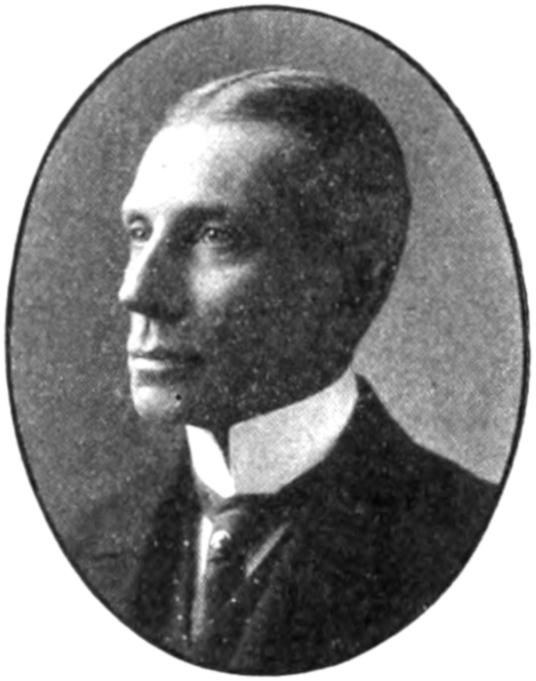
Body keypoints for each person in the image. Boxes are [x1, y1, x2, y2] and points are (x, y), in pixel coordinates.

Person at [70, 68, 498, 674]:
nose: (136, 291)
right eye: (139, 233)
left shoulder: (476, 543)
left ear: (355, 284)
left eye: (214, 234)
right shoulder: (84, 543)